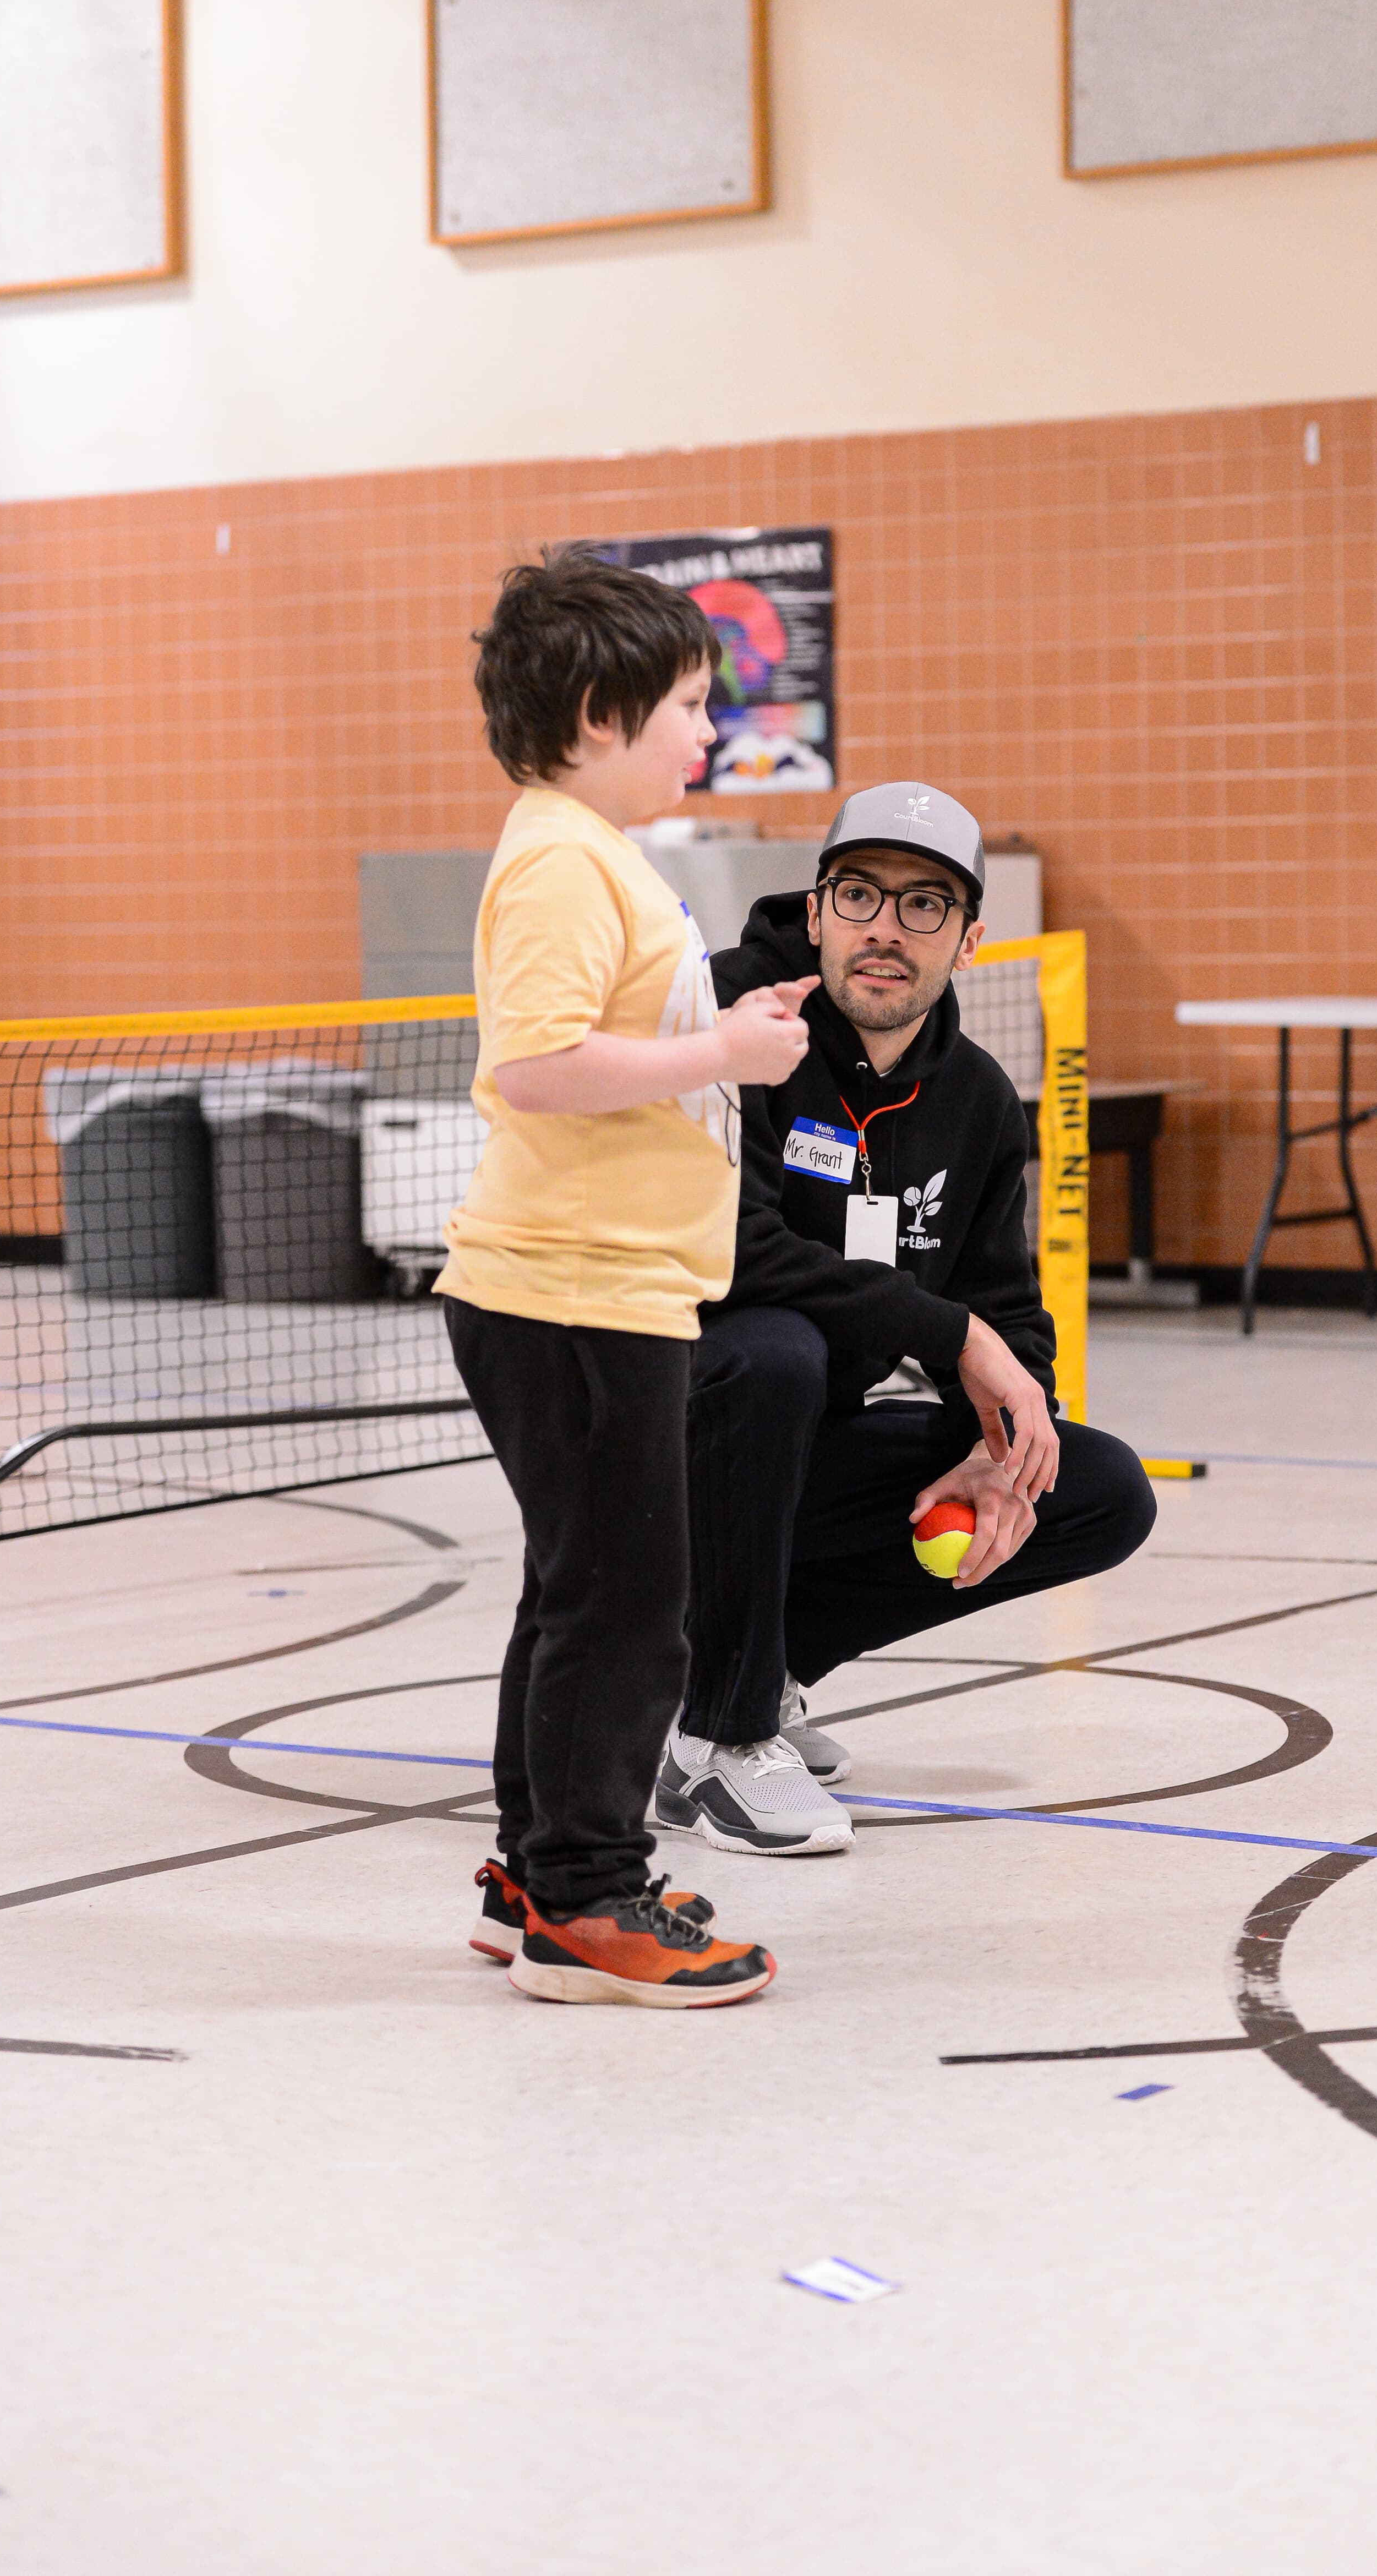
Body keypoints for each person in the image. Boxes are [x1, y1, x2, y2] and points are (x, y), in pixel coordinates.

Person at [436, 547, 817, 2004]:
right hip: (573, 1295)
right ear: (601, 710)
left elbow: (611, 1039)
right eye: (688, 705)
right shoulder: (557, 856)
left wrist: (722, 1025)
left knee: (578, 1590)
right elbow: (535, 1065)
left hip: (604, 1290)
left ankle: (540, 1868)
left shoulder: (590, 852)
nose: (707, 733)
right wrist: (722, 1053)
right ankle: (587, 1905)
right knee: (625, 1606)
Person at [657, 781, 1157, 1856]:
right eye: (859, 894)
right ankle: (716, 1740)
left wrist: (999, 1446)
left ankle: (764, 1669)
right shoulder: (734, 1023)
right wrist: (950, 1337)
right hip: (670, 1439)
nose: (885, 928)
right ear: (817, 907)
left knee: (1093, 1484)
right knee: (771, 1349)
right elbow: (730, 1257)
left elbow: (1007, 1310)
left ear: (969, 938)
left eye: (923, 904)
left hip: (800, 1450)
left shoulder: (971, 1098)